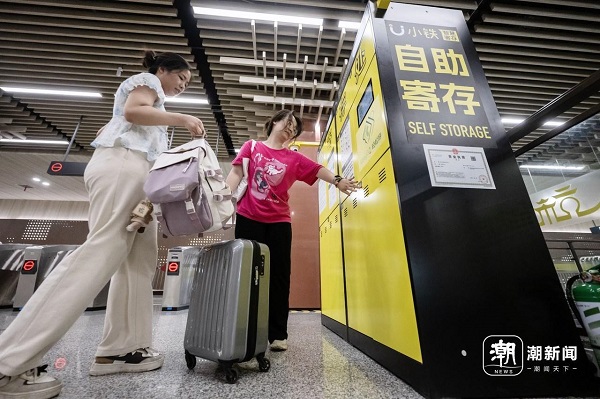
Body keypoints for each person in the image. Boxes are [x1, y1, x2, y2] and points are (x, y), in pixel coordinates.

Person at [0, 50, 206, 399]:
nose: (182, 87)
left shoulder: (151, 106)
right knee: (103, 250)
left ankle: (123, 349)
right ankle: (10, 361)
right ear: (163, 70)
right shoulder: (149, 83)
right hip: (124, 166)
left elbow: (112, 125)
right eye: (181, 79)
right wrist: (183, 118)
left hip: (135, 173)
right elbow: (132, 111)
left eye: (186, 85)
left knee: (137, 263)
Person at [225, 109, 359, 352]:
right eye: (287, 122)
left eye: (294, 128)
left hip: (279, 222)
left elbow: (318, 169)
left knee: (279, 277)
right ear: (274, 121)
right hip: (248, 217)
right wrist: (221, 198)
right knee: (245, 275)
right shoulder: (252, 146)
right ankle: (243, 331)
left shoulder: (293, 158)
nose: (290, 128)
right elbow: (235, 173)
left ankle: (277, 334)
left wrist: (338, 180)